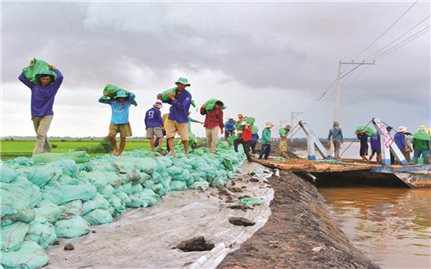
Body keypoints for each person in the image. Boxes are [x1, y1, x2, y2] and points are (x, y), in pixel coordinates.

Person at [19, 63, 63, 155]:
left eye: (47, 79)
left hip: (47, 114)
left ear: (50, 79)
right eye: (43, 79)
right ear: (40, 78)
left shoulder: (53, 88)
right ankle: (47, 153)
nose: (45, 81)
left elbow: (60, 77)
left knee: (40, 134)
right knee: (42, 135)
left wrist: (54, 69)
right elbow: (21, 77)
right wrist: (31, 67)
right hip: (35, 115)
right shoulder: (34, 87)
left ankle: (36, 156)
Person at [158, 77, 192, 156]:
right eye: (178, 84)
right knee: (169, 136)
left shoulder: (187, 95)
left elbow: (182, 106)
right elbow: (170, 101)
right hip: (172, 116)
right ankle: (173, 153)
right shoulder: (174, 92)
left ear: (185, 86)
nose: (179, 86)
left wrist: (173, 99)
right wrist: (162, 99)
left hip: (182, 118)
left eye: (182, 84)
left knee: (184, 138)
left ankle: (186, 152)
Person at [99, 90, 135, 156]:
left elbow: (133, 95)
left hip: (124, 123)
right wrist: (105, 95)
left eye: (122, 97)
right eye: (120, 97)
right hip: (114, 122)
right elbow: (101, 100)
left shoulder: (128, 102)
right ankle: (115, 149)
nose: (121, 99)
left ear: (125, 97)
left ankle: (120, 152)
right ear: (117, 97)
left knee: (123, 138)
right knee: (111, 136)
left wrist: (128, 92)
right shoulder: (113, 102)